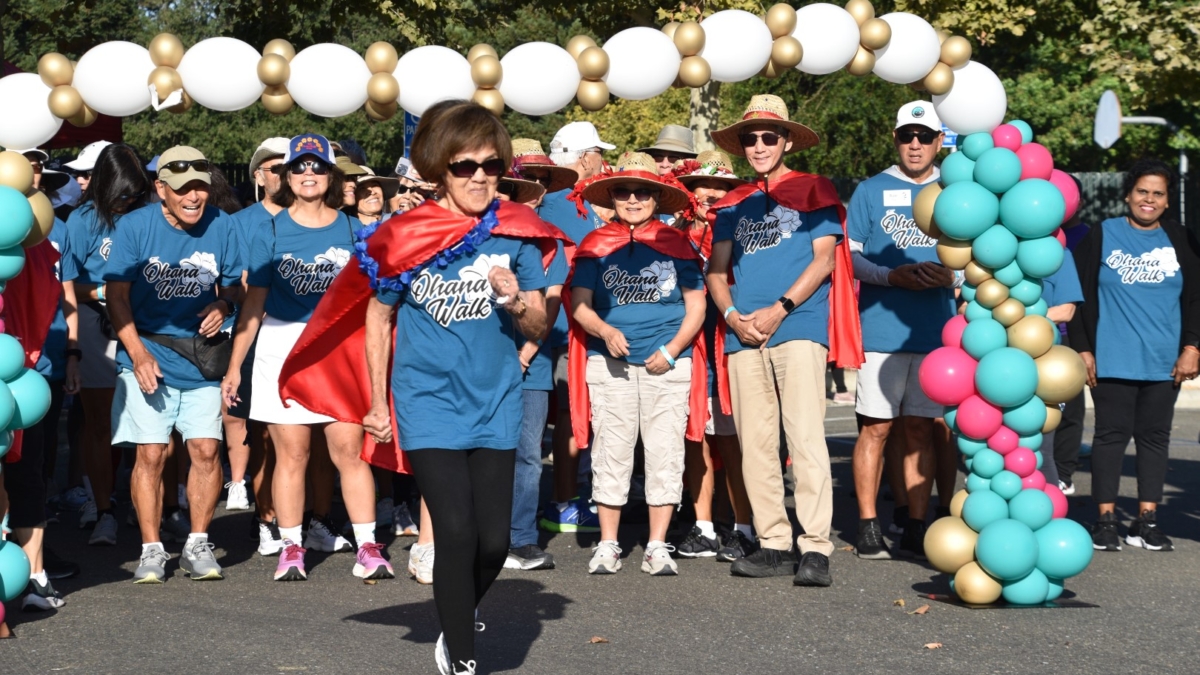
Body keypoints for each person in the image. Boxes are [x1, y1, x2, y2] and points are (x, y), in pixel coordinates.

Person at [276, 100, 568, 675]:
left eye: (491, 165)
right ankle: (461, 655)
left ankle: (455, 614)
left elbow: (539, 322)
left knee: (492, 545)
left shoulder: (518, 233)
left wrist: (512, 302)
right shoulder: (406, 234)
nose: (480, 177)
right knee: (455, 532)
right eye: (465, 166)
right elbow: (377, 317)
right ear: (439, 169)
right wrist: (376, 403)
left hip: (498, 400)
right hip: (426, 400)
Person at [705, 94, 862, 586]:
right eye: (750, 139)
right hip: (743, 334)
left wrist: (780, 308)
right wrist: (732, 317)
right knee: (755, 443)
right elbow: (716, 270)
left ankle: (815, 546)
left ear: (787, 141)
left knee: (806, 438)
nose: (758, 145)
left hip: (797, 327)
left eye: (769, 137)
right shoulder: (733, 202)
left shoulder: (815, 188)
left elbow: (823, 260)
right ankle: (773, 542)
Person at [223, 133, 388, 582]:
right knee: (291, 454)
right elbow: (252, 305)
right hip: (281, 347)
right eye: (299, 167)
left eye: (317, 166)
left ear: (331, 174)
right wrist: (236, 365)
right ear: (286, 175)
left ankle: (368, 545)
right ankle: (291, 547)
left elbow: (375, 301)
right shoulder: (269, 230)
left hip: (340, 348)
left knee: (348, 452)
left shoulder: (355, 229)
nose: (308, 174)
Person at [105, 146, 243, 583]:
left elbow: (237, 287)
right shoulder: (135, 225)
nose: (193, 196)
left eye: (200, 186)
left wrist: (223, 302)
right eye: (182, 188)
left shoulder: (223, 225)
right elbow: (116, 297)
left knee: (205, 450)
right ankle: (151, 549)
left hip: (201, 359)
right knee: (151, 454)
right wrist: (138, 353)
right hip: (148, 352)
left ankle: (197, 543)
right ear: (161, 189)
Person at [568, 151, 705, 576]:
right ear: (612, 197)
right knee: (612, 452)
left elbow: (696, 305)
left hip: (669, 363)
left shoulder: (676, 243)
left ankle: (657, 546)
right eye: (624, 191)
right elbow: (579, 305)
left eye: (642, 191)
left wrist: (672, 350)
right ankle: (608, 544)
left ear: (655, 198)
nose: (632, 199)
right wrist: (605, 332)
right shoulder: (595, 244)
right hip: (609, 365)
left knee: (665, 454)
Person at [1067, 158, 1200, 553]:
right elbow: (1079, 294)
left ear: (1166, 201)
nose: (1149, 199)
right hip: (1112, 357)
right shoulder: (1102, 234)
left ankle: (1146, 521)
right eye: (1142, 191)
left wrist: (1192, 347)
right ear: (1128, 194)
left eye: (1158, 193)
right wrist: (1083, 349)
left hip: (1165, 361)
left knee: (1155, 439)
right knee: (1110, 437)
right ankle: (1105, 520)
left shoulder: (1181, 239)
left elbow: (1195, 298)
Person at [845, 101, 958, 561]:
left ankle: (915, 521)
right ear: (895, 139)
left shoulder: (957, 191)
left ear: (939, 142)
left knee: (920, 430)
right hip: (880, 331)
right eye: (907, 136)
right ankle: (869, 524)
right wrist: (890, 277)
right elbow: (847, 257)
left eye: (925, 136)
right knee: (876, 429)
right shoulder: (870, 190)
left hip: (937, 333)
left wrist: (953, 278)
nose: (915, 144)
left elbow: (977, 259)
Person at [63, 143, 152, 547]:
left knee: (148, 427)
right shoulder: (82, 220)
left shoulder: (149, 215)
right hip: (97, 327)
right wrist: (104, 291)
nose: (128, 201)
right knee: (100, 425)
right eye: (122, 194)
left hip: (145, 326)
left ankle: (149, 507)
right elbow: (68, 285)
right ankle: (104, 510)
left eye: (135, 193)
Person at [671, 150, 756, 561]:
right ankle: (703, 526)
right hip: (690, 346)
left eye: (722, 186)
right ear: (689, 191)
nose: (711, 193)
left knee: (734, 437)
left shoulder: (746, 231)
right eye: (704, 185)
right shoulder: (671, 233)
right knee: (695, 437)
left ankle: (744, 526)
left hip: (731, 343)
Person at [540, 123, 612, 533]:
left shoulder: (549, 202)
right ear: (585, 157)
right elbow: (602, 254)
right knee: (571, 413)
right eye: (599, 153)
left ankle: (558, 498)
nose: (603, 161)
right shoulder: (571, 203)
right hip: (569, 327)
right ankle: (563, 501)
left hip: (554, 324)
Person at [497, 146, 565, 572]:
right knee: (483, 450)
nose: (509, 196)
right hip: (482, 362)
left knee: (525, 453)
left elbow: (552, 301)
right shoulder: (473, 233)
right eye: (504, 187)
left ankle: (520, 538)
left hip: (531, 363)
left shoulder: (544, 237)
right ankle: (482, 535)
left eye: (515, 189)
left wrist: (526, 351)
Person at [226, 137, 289, 555]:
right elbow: (226, 282)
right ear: (257, 177)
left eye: (290, 166)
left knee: (304, 437)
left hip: (300, 335)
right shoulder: (239, 222)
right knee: (262, 431)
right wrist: (249, 289)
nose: (283, 174)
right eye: (274, 167)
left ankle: (300, 519)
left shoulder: (321, 219)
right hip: (254, 334)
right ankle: (265, 517)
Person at [1032, 247, 1083, 488]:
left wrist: (1018, 323)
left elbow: (1066, 310)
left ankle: (1048, 517)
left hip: (1044, 363)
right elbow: (965, 306)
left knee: (1040, 451)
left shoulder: (1059, 253)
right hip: (995, 361)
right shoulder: (990, 249)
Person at [1052, 177, 1090, 494]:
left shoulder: (1085, 239)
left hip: (1066, 336)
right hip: (1022, 337)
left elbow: (1071, 306)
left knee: (1068, 410)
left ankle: (1062, 473)